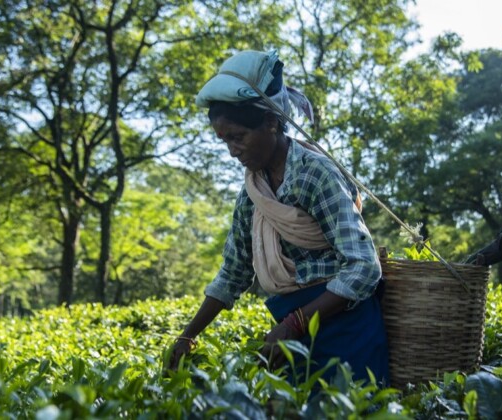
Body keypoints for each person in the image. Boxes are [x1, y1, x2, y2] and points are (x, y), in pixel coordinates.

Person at [166, 49, 388, 385]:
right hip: (290, 336)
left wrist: (295, 323)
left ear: (271, 123)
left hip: (344, 329)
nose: (232, 151)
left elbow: (363, 266)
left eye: (238, 137)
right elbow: (234, 271)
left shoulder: (315, 175)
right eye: (224, 141)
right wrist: (187, 336)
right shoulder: (253, 192)